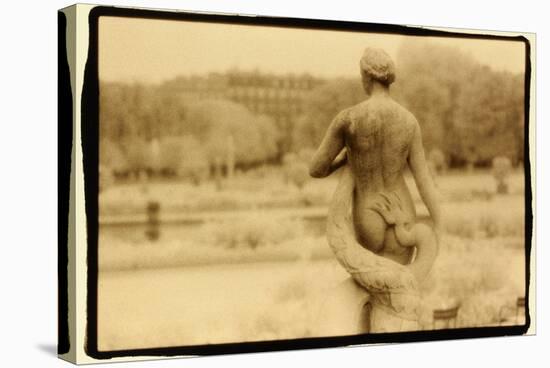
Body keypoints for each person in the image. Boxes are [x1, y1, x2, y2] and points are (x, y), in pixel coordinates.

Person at [309, 47, 442, 281]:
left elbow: (316, 169)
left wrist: (345, 158)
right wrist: (440, 224)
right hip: (403, 214)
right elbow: (424, 182)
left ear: (366, 78)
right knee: (396, 291)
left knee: (369, 293)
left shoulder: (348, 119)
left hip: (367, 217)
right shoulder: (409, 121)